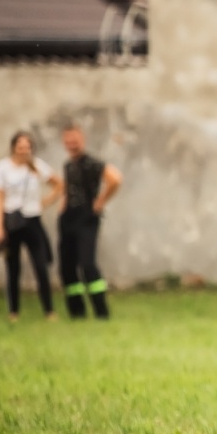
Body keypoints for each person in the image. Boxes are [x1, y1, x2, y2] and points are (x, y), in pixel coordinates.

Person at [0, 132, 61, 322]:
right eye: (20, 146)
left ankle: (49, 310)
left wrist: (45, 203)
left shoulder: (36, 166)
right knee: (13, 268)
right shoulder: (2, 168)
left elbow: (59, 184)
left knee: (41, 266)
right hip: (11, 222)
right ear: (13, 147)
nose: (23, 150)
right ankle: (13, 311)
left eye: (27, 147)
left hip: (32, 220)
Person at [58, 126, 122, 320]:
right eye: (68, 141)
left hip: (86, 218)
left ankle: (101, 311)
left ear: (82, 140)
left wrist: (101, 201)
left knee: (87, 263)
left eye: (75, 140)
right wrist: (62, 206)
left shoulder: (91, 163)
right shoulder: (68, 165)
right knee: (67, 266)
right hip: (68, 218)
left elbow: (115, 179)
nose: (72, 144)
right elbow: (68, 188)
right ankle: (77, 312)